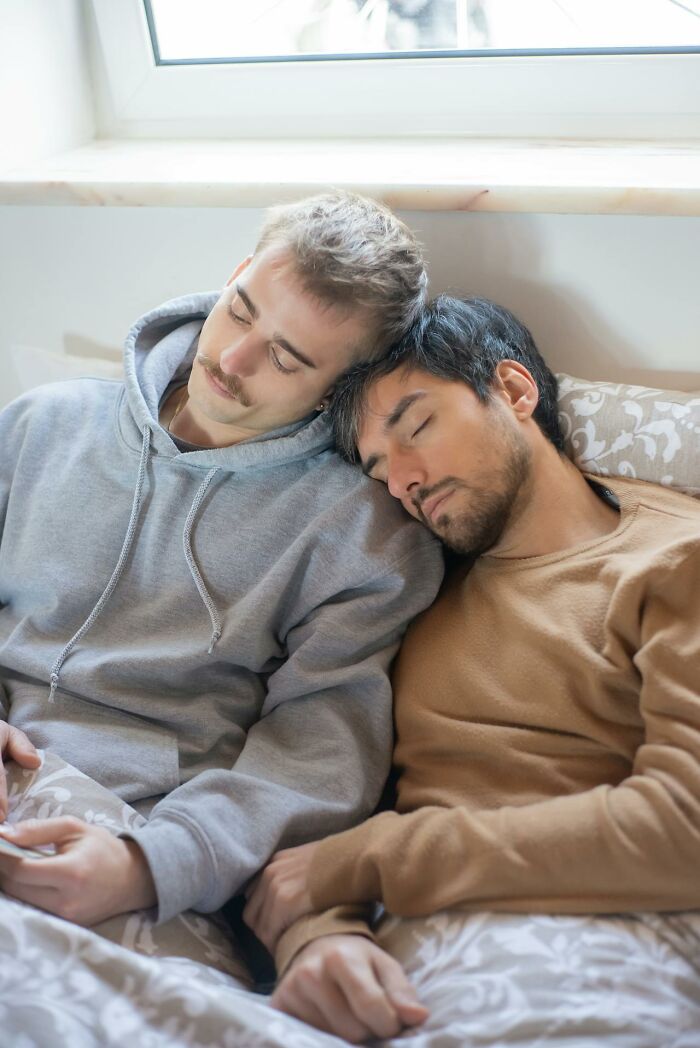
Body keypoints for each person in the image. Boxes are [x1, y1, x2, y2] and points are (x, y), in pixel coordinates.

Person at [244, 294, 700, 1043]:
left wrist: (371, 860)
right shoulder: (397, 587)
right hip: (404, 966)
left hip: (605, 939)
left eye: (417, 427)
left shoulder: (673, 558)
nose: (403, 483)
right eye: (378, 468)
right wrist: (320, 941)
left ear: (516, 392)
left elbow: (685, 830)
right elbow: (314, 811)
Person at [0, 192, 443, 938]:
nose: (232, 360)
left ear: (340, 389)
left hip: (139, 839)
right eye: (241, 311)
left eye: (285, 357)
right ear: (236, 273)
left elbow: (320, 751)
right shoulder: (41, 422)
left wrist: (150, 864)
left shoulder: (364, 538)